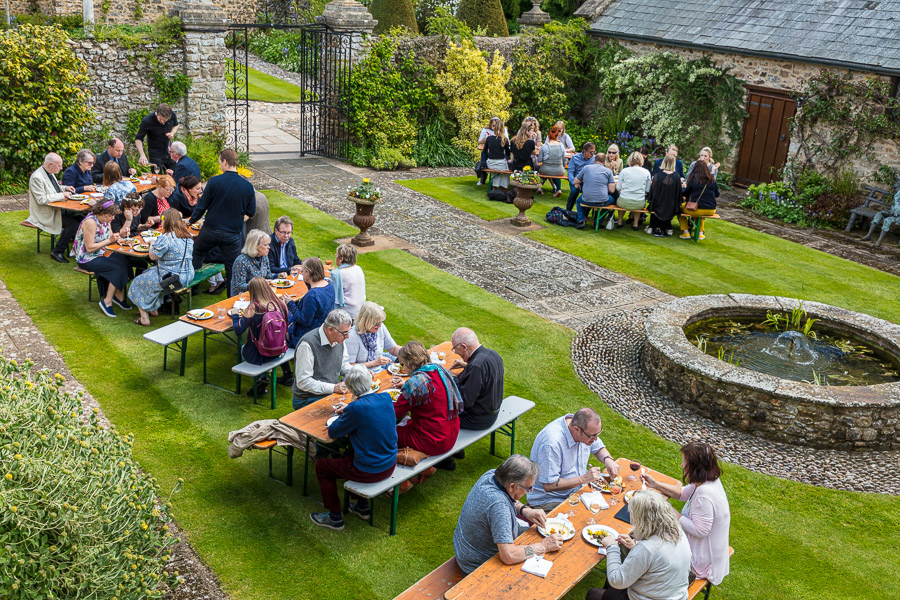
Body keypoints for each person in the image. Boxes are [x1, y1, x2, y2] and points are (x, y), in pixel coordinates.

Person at [310, 366, 397, 531]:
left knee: (322, 466)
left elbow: (333, 432)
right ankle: (361, 506)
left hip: (370, 470)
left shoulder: (356, 408)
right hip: (389, 463)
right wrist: (350, 409)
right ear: (370, 383)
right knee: (348, 453)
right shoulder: (385, 398)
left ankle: (334, 517)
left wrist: (348, 409)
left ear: (350, 389)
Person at [453, 455, 562, 575]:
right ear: (512, 486)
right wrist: (543, 547)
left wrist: (524, 510)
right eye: (528, 488)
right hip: (478, 564)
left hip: (465, 549)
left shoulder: (492, 475)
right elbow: (508, 556)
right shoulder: (499, 506)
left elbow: (507, 498)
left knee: (537, 536)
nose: (530, 491)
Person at [641, 441, 730, 586]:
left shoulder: (704, 494)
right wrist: (655, 484)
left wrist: (667, 508)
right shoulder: (707, 480)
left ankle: (644, 582)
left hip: (701, 559)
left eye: (685, 461)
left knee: (651, 543)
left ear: (695, 466)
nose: (682, 465)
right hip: (711, 551)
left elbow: (700, 531)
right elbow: (682, 493)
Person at [587, 490, 692, 600]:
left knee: (593, 594)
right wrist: (635, 545)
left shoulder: (647, 548)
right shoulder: (677, 530)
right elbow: (659, 556)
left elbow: (616, 581)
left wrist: (611, 547)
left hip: (653, 596)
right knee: (612, 588)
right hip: (674, 594)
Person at [526, 408, 619, 511]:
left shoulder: (585, 431)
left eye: (598, 433)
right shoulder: (552, 444)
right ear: (576, 429)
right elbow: (549, 485)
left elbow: (598, 448)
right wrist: (584, 479)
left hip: (577, 490)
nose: (596, 439)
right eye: (593, 436)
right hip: (550, 499)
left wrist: (608, 459)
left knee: (612, 505)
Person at [190, 148, 256, 294]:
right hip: (232, 234)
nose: (220, 165)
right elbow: (251, 211)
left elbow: (202, 206)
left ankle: (192, 287)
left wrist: (191, 221)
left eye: (220, 161)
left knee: (197, 252)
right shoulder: (247, 186)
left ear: (225, 162)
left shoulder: (214, 181)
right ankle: (231, 301)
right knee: (232, 269)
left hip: (210, 230)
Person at [392, 341, 462, 464]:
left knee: (385, 433)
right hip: (451, 432)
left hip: (434, 440)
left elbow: (394, 413)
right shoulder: (439, 369)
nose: (402, 368)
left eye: (402, 364)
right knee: (405, 422)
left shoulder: (415, 383)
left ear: (409, 363)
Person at [128, 208, 194, 327]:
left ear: (167, 221)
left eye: (162, 220)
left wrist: (152, 243)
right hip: (187, 275)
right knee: (149, 273)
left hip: (171, 277)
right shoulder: (187, 236)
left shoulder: (166, 238)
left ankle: (144, 318)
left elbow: (153, 257)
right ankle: (153, 308)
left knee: (137, 282)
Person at [73, 200, 133, 318]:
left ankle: (118, 296)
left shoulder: (105, 221)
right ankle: (107, 301)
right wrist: (109, 241)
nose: (113, 218)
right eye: (110, 215)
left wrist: (121, 235)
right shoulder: (91, 222)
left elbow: (110, 238)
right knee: (117, 268)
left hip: (101, 253)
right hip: (86, 258)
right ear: (102, 212)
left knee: (125, 262)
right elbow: (89, 248)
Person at [231, 277, 289, 396]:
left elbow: (238, 330)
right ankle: (278, 374)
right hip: (279, 351)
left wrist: (235, 315)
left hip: (260, 353)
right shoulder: (279, 303)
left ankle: (261, 378)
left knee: (242, 349)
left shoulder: (253, 308)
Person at [292, 309, 354, 410]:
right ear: (330, 329)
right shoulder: (307, 344)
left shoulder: (338, 338)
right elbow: (303, 381)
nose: (347, 336)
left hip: (329, 393)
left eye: (348, 331)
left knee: (358, 405)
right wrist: (333, 388)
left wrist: (359, 372)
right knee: (347, 414)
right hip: (307, 399)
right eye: (344, 333)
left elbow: (342, 365)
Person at [27, 152, 79, 264]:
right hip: (44, 214)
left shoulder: (49, 173)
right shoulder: (37, 177)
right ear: (50, 164)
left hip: (55, 210)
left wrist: (65, 188)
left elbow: (52, 188)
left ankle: (76, 248)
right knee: (73, 224)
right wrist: (62, 195)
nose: (61, 168)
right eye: (59, 165)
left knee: (79, 217)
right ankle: (57, 251)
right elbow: (41, 199)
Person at [450, 327, 504, 431]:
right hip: (492, 412)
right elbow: (485, 375)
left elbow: (464, 402)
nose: (456, 353)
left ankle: (455, 446)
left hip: (477, 419)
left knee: (436, 414)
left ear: (464, 346)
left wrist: (451, 378)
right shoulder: (493, 354)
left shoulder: (476, 366)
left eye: (455, 350)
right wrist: (467, 366)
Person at [287, 257, 333, 344]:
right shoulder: (329, 284)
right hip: (323, 330)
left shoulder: (312, 295)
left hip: (307, 338)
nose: (301, 273)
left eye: (303, 271)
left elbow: (304, 321)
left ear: (308, 272)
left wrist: (290, 303)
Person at [346, 301, 400, 367]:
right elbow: (349, 366)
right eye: (377, 324)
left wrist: (408, 352)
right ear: (365, 322)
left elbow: (393, 349)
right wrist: (374, 363)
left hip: (378, 369)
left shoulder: (380, 328)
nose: (380, 325)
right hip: (361, 374)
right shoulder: (352, 336)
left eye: (381, 322)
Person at [678, 159, 719, 240]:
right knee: (700, 213)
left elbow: (686, 194)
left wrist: (684, 188)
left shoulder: (693, 180)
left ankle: (685, 232)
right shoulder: (712, 180)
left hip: (696, 208)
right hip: (711, 210)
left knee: (678, 209)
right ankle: (700, 233)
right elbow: (717, 194)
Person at [573, 153, 616, 229]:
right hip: (602, 201)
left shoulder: (586, 168)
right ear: (604, 162)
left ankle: (581, 220)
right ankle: (597, 222)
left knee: (578, 201)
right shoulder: (608, 171)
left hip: (586, 199)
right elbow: (612, 190)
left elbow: (576, 180)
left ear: (594, 160)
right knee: (612, 200)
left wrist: (579, 183)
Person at [135, 103, 179, 173]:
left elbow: (176, 125)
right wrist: (142, 155)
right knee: (157, 178)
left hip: (169, 151)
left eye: (165, 120)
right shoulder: (147, 121)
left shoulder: (172, 115)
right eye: (160, 119)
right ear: (156, 113)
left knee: (173, 175)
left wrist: (172, 133)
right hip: (155, 154)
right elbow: (138, 139)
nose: (162, 122)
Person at [230, 229, 275, 296]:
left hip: (260, 294)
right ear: (255, 246)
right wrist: (259, 284)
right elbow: (239, 286)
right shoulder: (241, 261)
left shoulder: (264, 257)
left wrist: (279, 275)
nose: (269, 247)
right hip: (243, 297)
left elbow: (268, 276)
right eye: (265, 245)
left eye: (268, 244)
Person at [647, 155, 682, 237]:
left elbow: (652, 193)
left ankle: (655, 226)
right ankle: (667, 227)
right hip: (672, 206)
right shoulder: (677, 177)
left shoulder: (657, 176)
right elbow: (679, 194)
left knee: (655, 204)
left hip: (658, 205)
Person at [616, 151, 652, 229]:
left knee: (621, 199)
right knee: (639, 202)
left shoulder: (624, 171)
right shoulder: (646, 172)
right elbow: (648, 189)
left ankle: (620, 222)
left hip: (624, 201)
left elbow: (618, 188)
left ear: (630, 160)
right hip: (639, 203)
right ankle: (635, 224)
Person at [332, 243, 366, 318]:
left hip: (345, 314)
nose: (335, 255)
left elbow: (332, 295)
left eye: (337, 254)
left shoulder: (337, 274)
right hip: (359, 310)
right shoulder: (358, 268)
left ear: (341, 259)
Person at [566, 142, 595, 212]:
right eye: (591, 152)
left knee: (592, 194)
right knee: (574, 191)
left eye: (594, 152)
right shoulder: (575, 158)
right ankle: (568, 211)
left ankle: (584, 214)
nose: (592, 154)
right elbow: (570, 172)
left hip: (587, 182)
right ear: (584, 151)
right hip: (576, 180)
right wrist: (574, 183)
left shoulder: (594, 159)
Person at [538, 125, 567, 197]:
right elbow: (564, 158)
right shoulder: (561, 146)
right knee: (556, 173)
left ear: (548, 136)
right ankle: (558, 189)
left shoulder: (544, 146)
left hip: (546, 169)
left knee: (542, 172)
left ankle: (539, 187)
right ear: (557, 136)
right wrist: (562, 165)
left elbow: (539, 160)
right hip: (559, 170)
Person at [484, 118, 511, 191]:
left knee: (497, 171)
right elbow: (508, 153)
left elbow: (484, 151)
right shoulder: (505, 139)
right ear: (503, 129)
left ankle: (494, 186)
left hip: (490, 163)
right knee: (505, 172)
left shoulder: (489, 138)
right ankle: (504, 187)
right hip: (500, 163)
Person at [476, 116, 501, 186]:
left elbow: (506, 141)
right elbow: (479, 142)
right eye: (493, 125)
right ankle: (482, 178)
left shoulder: (502, 130)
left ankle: (496, 180)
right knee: (484, 154)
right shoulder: (485, 130)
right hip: (487, 149)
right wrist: (483, 140)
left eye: (496, 125)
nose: (494, 126)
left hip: (499, 151)